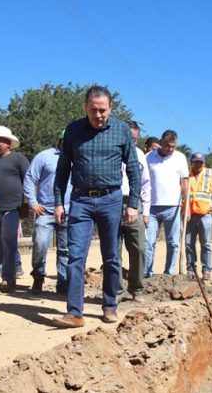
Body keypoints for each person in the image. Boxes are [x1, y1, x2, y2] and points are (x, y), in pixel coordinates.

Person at [52, 85, 141, 328]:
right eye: (93, 110)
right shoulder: (73, 130)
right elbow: (62, 170)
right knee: (75, 256)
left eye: (103, 110)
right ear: (85, 107)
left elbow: (134, 169)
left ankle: (110, 306)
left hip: (111, 199)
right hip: (80, 200)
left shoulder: (121, 130)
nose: (98, 115)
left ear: (110, 108)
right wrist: (58, 203)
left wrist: (133, 204)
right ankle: (74, 312)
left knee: (111, 256)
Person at [23, 130, 72, 294]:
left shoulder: (77, 158)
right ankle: (38, 277)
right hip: (45, 210)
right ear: (61, 140)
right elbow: (30, 178)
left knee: (65, 249)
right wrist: (33, 202)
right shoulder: (44, 156)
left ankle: (63, 283)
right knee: (40, 244)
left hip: (68, 210)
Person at [0, 126, 29, 292]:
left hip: (13, 208)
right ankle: (8, 275)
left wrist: (26, 204)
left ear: (8, 143)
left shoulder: (18, 159)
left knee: (8, 242)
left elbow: (29, 181)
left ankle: (8, 279)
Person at [145, 130, 188, 276]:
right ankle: (147, 273)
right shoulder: (149, 157)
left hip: (173, 207)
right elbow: (143, 180)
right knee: (148, 242)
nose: (170, 149)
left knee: (173, 243)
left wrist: (186, 204)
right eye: (167, 146)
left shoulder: (180, 158)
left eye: (173, 146)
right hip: (151, 207)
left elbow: (184, 182)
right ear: (161, 143)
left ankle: (168, 274)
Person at [119, 120, 150, 300]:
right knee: (113, 251)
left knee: (138, 249)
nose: (132, 142)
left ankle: (136, 288)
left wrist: (145, 211)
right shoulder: (111, 150)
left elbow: (146, 184)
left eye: (135, 139)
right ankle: (116, 291)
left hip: (134, 204)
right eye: (129, 138)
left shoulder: (139, 155)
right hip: (112, 203)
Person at [185, 152, 212, 279]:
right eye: (195, 162)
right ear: (191, 163)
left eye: (200, 162)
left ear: (204, 163)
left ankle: (206, 270)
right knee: (188, 244)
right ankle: (191, 270)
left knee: (206, 244)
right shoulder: (185, 175)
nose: (198, 164)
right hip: (189, 215)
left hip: (205, 215)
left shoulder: (210, 175)